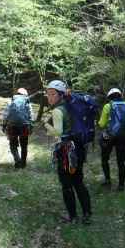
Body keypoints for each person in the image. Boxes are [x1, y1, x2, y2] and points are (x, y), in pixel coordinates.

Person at [44, 80, 92, 224]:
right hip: (79, 148)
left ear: (60, 95)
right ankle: (87, 213)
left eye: (53, 94)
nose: (49, 97)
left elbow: (57, 132)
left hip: (66, 151)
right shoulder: (70, 107)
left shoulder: (58, 111)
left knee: (66, 184)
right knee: (78, 181)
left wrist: (46, 125)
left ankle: (72, 216)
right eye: (48, 94)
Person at [98, 88, 125, 191]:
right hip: (124, 135)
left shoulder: (108, 106)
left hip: (110, 135)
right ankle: (121, 185)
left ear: (110, 97)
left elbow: (102, 124)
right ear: (120, 95)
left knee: (105, 158)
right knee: (121, 162)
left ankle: (108, 180)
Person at [2, 88, 33, 169]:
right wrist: (31, 125)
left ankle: (17, 161)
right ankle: (23, 164)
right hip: (24, 126)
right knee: (24, 145)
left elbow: (6, 114)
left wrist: (4, 125)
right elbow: (30, 114)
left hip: (12, 125)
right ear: (25, 94)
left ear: (17, 93)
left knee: (13, 144)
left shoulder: (11, 100)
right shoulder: (27, 101)